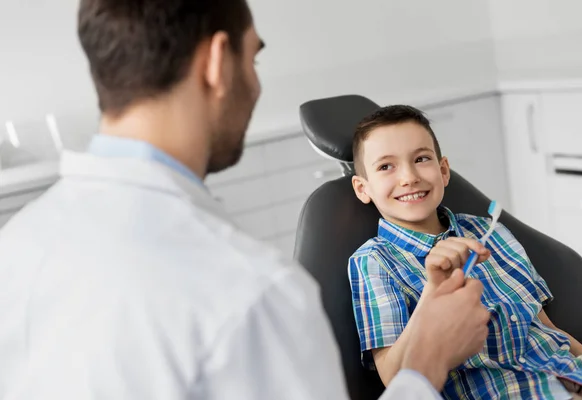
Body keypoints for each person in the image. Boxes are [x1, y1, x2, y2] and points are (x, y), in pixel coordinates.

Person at [0, 1, 488, 399]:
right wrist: (425, 367)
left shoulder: (17, 243)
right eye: (252, 59)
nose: (254, 84)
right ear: (216, 63)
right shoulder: (251, 291)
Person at [348, 104, 582, 399]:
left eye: (421, 158)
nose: (409, 177)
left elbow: (546, 327)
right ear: (362, 188)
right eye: (386, 166)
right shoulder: (374, 262)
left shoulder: (488, 232)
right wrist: (432, 293)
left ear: (443, 171)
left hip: (565, 369)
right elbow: (396, 378)